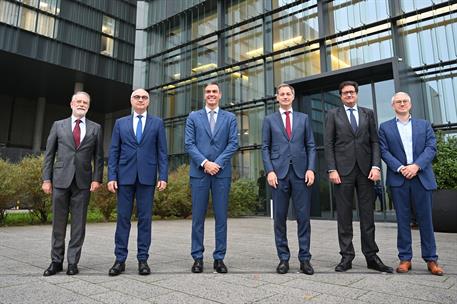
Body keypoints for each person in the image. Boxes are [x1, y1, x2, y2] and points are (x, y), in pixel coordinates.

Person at [324, 80, 393, 273]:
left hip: (366, 171)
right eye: (345, 93)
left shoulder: (368, 113)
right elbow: (328, 143)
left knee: (367, 215)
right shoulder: (332, 114)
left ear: (356, 94)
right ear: (341, 96)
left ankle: (371, 256)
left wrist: (376, 166)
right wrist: (332, 169)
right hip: (342, 172)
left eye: (351, 92)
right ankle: (347, 257)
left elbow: (375, 142)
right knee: (344, 216)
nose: (348, 95)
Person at [378, 92, 444, 276]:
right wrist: (401, 168)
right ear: (393, 106)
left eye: (405, 101)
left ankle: (431, 259)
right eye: (398, 101)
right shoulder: (385, 127)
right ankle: (405, 259)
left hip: (421, 177)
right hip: (399, 180)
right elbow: (383, 151)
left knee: (426, 220)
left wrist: (416, 166)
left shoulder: (424, 125)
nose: (402, 104)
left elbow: (431, 148)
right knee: (402, 221)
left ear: (410, 104)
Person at [42, 91, 104, 276]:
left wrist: (96, 178)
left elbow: (98, 157)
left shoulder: (96, 128)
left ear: (88, 106)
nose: (82, 104)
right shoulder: (58, 125)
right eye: (79, 101)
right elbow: (49, 155)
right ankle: (56, 261)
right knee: (58, 224)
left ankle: (73, 262)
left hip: (83, 183)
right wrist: (46, 179)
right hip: (60, 180)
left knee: (78, 225)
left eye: (85, 102)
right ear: (71, 104)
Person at [107, 88, 168, 276]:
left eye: (144, 97)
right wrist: (111, 177)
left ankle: (143, 260)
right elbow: (114, 152)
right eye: (137, 97)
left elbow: (162, 153)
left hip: (147, 178)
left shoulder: (157, 123)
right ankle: (120, 260)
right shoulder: (120, 123)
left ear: (148, 102)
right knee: (123, 219)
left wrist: (163, 176)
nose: (140, 100)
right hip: (124, 178)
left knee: (145, 220)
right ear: (131, 100)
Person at [261, 83, 317, 275]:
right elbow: (265, 147)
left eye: (288, 94)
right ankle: (283, 259)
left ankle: (305, 259)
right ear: (277, 97)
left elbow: (311, 146)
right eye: (281, 94)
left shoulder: (304, 118)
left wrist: (311, 169)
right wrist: (269, 171)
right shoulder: (269, 120)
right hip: (278, 175)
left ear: (293, 97)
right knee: (279, 219)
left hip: (302, 174)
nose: (285, 97)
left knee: (303, 218)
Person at [184, 82, 238, 274]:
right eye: (208, 92)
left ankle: (219, 258)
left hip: (221, 174)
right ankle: (197, 258)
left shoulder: (230, 118)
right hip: (199, 173)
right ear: (204, 95)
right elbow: (189, 144)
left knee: (221, 217)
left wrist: (217, 163)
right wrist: (205, 163)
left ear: (220, 95)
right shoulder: (193, 117)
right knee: (197, 218)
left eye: (214, 91)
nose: (211, 94)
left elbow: (233, 144)